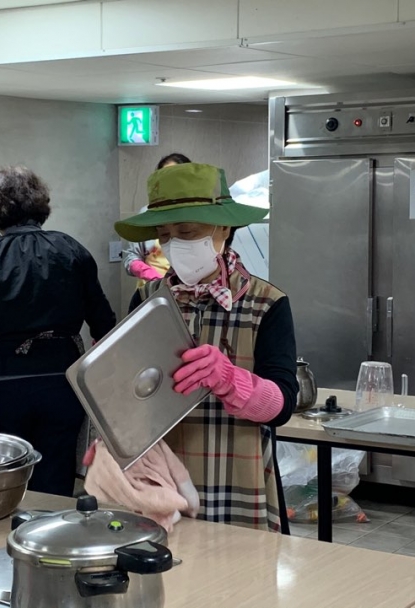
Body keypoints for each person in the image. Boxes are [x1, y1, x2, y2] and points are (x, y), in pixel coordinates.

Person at [114, 163, 298, 533]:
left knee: (239, 567)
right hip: (163, 480)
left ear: (224, 228)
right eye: (165, 236)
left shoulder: (265, 304)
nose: (174, 245)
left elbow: (282, 406)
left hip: (238, 473)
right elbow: (128, 395)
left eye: (187, 232)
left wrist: (230, 379)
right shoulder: (149, 300)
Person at [0, 166, 116, 496]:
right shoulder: (72, 249)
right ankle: (54, 523)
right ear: (39, 203)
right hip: (64, 375)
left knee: (13, 468)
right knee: (57, 465)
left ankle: (18, 524)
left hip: (7, 379)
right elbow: (103, 321)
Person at [122, 153, 191, 287]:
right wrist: (148, 273)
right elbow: (130, 257)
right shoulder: (147, 214)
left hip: (189, 291)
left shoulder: (199, 216)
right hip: (151, 291)